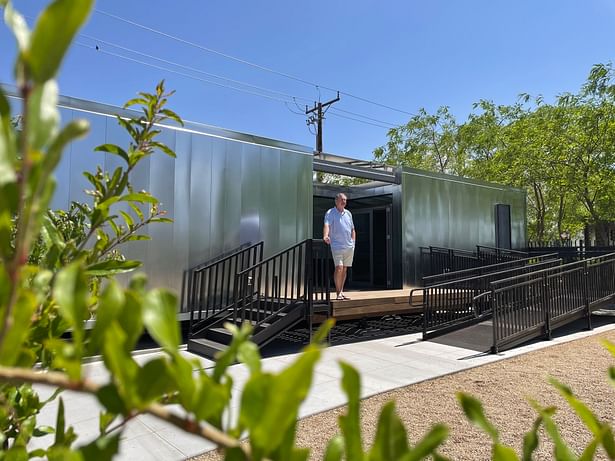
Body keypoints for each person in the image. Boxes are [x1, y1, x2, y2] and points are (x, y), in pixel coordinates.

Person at [323, 192, 356, 300]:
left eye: (345, 200)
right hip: (336, 245)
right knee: (339, 268)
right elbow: (327, 225)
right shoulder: (330, 212)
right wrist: (325, 235)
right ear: (336, 201)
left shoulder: (348, 213)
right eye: (342, 200)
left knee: (345, 269)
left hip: (349, 246)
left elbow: (352, 229)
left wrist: (353, 242)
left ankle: (341, 291)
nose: (344, 202)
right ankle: (338, 293)